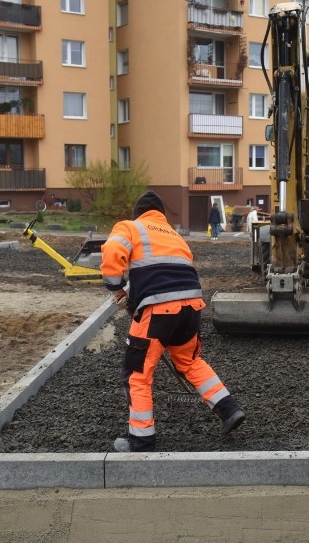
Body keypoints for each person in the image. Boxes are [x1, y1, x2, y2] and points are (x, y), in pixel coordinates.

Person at [101, 191, 246, 452]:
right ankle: (229, 409)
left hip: (159, 310)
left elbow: (112, 250)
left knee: (137, 373)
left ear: (138, 213)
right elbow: (165, 271)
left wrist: (117, 289)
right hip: (191, 307)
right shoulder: (173, 235)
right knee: (190, 362)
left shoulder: (131, 227)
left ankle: (141, 440)